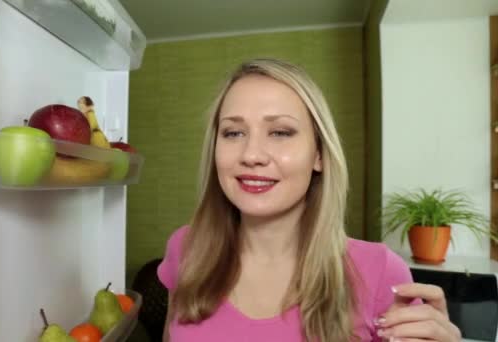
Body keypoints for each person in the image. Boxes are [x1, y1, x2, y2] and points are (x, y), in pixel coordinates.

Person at [157, 58, 461, 341]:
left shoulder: (381, 273)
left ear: (318, 154)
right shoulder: (185, 249)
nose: (251, 155)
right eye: (233, 133)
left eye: (280, 132)